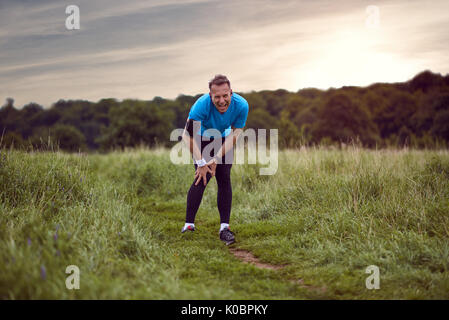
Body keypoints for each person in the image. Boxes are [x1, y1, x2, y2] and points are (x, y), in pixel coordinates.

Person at [181, 74, 249, 245]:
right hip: (200, 139)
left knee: (224, 177)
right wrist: (202, 162)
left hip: (224, 139)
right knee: (202, 177)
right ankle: (189, 225)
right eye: (216, 96)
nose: (221, 101)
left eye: (225, 95)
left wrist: (217, 158)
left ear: (231, 93)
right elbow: (187, 136)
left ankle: (224, 228)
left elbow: (235, 133)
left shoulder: (241, 105)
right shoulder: (201, 105)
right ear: (210, 95)